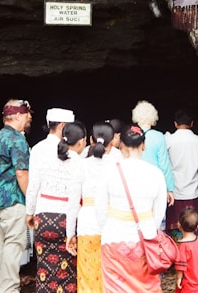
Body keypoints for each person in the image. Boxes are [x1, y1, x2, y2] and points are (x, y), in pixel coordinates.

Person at [96, 124, 167, 293]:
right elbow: (159, 211)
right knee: (146, 287)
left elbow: (100, 209)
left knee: (115, 288)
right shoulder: (155, 173)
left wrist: (108, 228)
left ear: (122, 145)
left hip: (114, 236)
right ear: (143, 145)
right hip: (145, 239)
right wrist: (149, 227)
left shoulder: (109, 171)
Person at [26, 121, 86, 293]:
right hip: (65, 220)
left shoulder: (44, 156)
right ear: (81, 142)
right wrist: (70, 235)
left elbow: (33, 186)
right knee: (67, 272)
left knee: (44, 268)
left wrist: (29, 212)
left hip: (43, 218)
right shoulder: (79, 163)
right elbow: (74, 201)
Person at [0, 99, 33, 293]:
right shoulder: (17, 139)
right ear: (18, 116)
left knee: (0, 251)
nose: (29, 118)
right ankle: (9, 290)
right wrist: (31, 201)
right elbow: (21, 172)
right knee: (13, 250)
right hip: (14, 201)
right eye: (27, 114)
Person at [77, 121, 116, 292]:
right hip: (110, 221)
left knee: (87, 270)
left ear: (91, 141)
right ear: (113, 141)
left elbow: (73, 200)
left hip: (86, 221)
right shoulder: (116, 166)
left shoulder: (82, 164)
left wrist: (71, 231)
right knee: (109, 270)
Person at [164, 109, 198, 240]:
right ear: (192, 123)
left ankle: (176, 252)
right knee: (195, 225)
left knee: (173, 226)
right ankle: (196, 250)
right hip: (193, 191)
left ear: (175, 124)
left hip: (173, 191)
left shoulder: (169, 140)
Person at [131, 100, 175, 209]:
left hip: (134, 181)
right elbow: (164, 165)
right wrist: (169, 189)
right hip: (154, 183)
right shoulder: (159, 136)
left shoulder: (130, 134)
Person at [175, 208, 198, 293]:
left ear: (179, 225)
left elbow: (181, 266)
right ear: (197, 227)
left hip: (188, 283)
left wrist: (179, 278)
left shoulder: (182, 246)